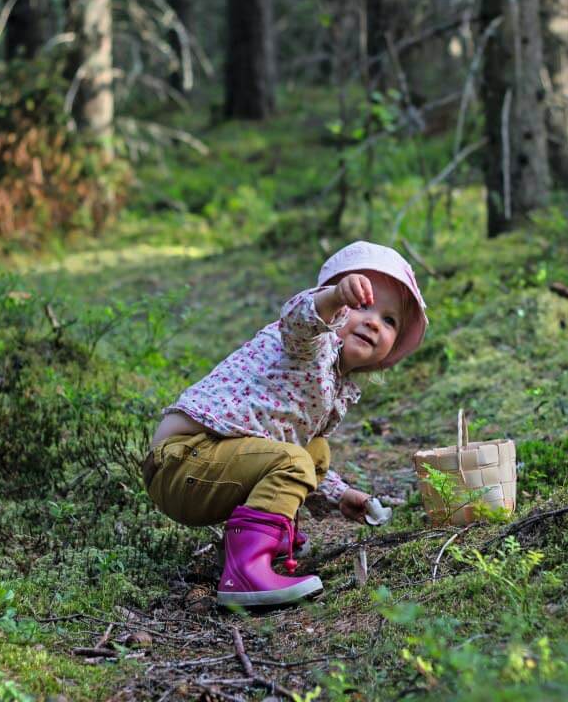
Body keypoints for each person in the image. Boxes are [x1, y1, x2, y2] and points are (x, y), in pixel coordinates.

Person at [142, 241, 428, 606]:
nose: (374, 321)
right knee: (295, 461)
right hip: (184, 461)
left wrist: (340, 495)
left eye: (390, 320)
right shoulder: (310, 342)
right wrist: (333, 296)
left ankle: (264, 542)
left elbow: (301, 452)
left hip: (211, 466)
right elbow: (297, 317)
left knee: (315, 451)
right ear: (336, 309)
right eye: (363, 305)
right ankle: (246, 573)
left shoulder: (336, 386)